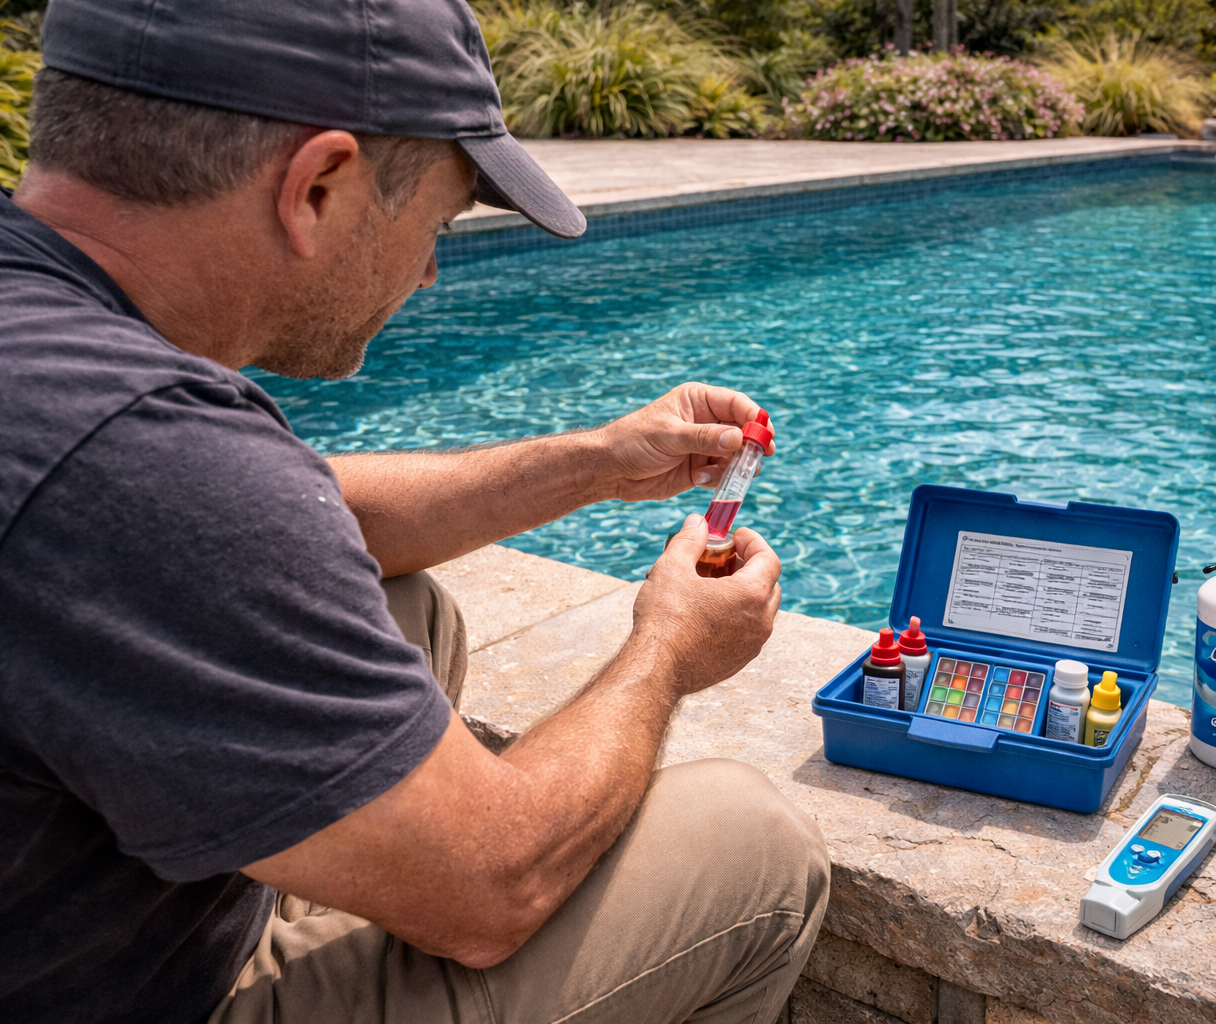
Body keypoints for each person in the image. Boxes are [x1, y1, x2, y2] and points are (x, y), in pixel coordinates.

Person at [0, 2, 829, 1023]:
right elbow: (498, 889)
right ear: (318, 186)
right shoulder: (136, 457)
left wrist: (599, 462)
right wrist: (666, 650)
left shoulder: (51, 349)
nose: (433, 270)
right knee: (753, 851)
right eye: (434, 224)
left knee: (404, 606)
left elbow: (295, 513)